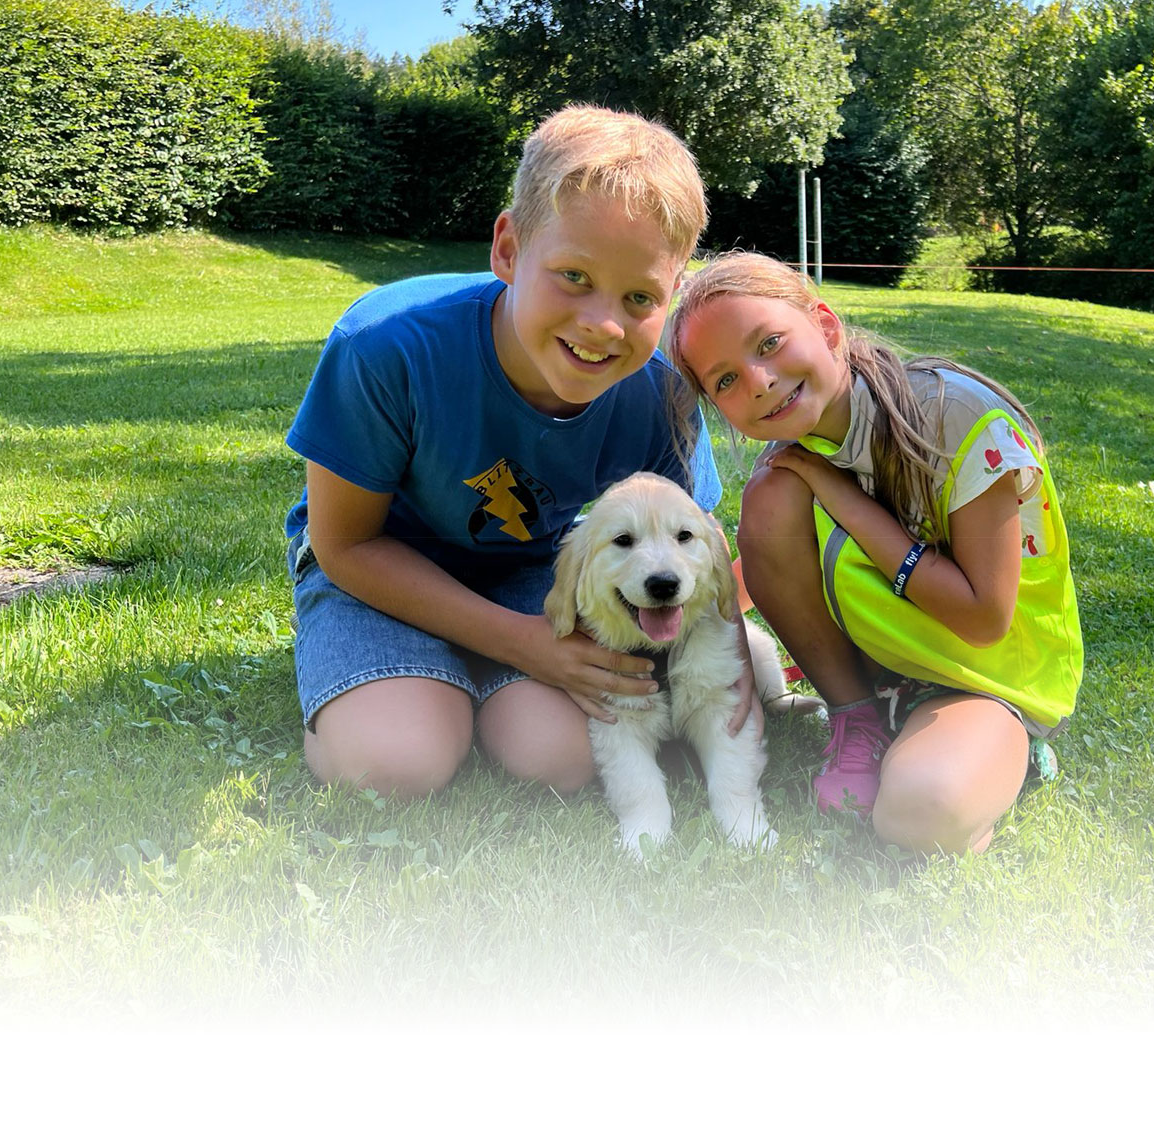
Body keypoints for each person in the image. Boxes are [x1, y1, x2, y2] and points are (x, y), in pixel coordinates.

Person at [283, 105, 729, 799]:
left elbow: (693, 544)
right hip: (379, 567)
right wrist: (521, 644)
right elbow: (344, 544)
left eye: (640, 296)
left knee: (562, 756)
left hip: (529, 566)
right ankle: (395, 670)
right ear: (508, 249)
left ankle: (466, 673)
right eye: (574, 276)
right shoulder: (385, 344)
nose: (603, 324)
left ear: (673, 293)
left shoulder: (661, 392)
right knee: (393, 764)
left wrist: (731, 674)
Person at [666, 252, 1083, 855]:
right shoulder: (795, 457)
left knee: (919, 812)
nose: (758, 380)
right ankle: (857, 717)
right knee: (772, 491)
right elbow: (764, 572)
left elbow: (984, 617)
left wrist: (841, 496)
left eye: (770, 343)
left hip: (984, 678)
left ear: (826, 326)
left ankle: (1013, 750)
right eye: (725, 380)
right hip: (887, 673)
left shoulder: (955, 416)